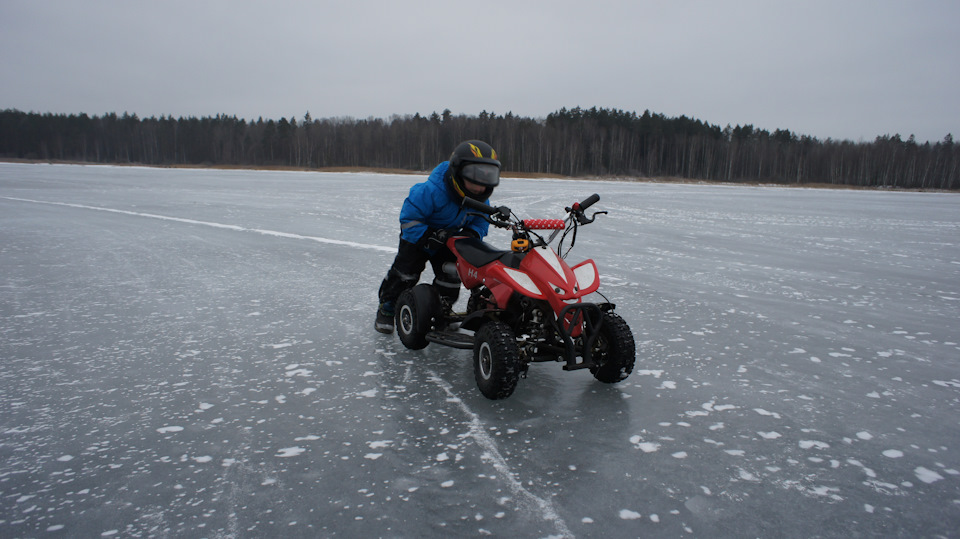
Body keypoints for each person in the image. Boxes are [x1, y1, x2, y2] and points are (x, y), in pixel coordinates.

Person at [375, 140, 501, 334]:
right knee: (405, 273)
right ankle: (387, 306)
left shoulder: (480, 198)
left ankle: (443, 310)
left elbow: (481, 221)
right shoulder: (431, 190)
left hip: (449, 240)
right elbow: (409, 218)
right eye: (474, 176)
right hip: (417, 237)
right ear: (458, 171)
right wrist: (426, 235)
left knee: (451, 274)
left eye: (487, 177)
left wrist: (472, 234)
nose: (479, 186)